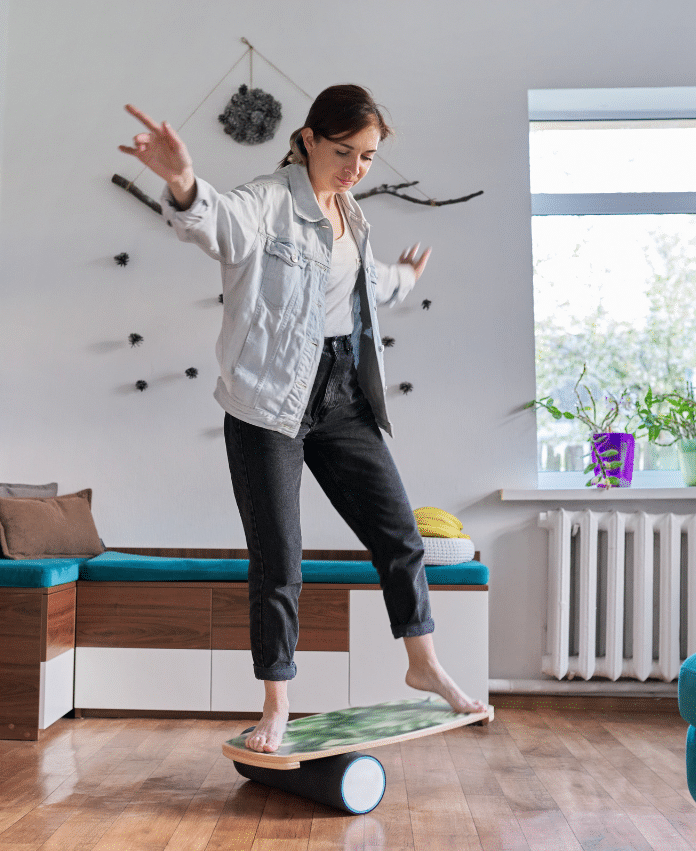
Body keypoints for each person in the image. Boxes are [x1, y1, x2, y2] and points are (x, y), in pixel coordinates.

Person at [119, 84, 487, 753]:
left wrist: (404, 278)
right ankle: (277, 704)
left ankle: (423, 661)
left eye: (369, 157)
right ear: (310, 137)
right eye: (344, 151)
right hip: (268, 404)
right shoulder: (267, 202)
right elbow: (217, 222)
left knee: (400, 533)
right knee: (279, 559)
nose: (355, 168)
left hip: (342, 393)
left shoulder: (350, 211)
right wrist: (183, 182)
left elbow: (364, 284)